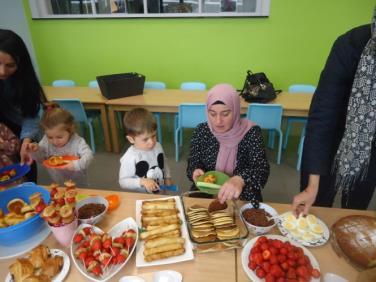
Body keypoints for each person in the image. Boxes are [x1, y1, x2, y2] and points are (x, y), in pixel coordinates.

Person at [292, 11, 376, 215]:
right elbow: (322, 117)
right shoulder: (350, 45)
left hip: (369, 151)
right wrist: (312, 186)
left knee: (356, 212)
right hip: (330, 140)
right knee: (315, 206)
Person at [186, 83, 270, 206]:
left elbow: (261, 169)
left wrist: (240, 179)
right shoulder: (202, 130)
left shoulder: (251, 132)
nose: (218, 121)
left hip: (241, 196)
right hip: (205, 194)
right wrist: (195, 170)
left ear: (235, 110)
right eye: (212, 114)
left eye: (225, 114)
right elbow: (192, 163)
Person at [0, 29, 46, 182]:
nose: (2, 71)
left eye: (10, 65)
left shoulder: (25, 83)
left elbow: (31, 113)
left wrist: (27, 139)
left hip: (18, 133)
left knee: (25, 175)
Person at [25, 103, 93, 187]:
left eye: (59, 137)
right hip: (59, 182)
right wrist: (35, 151)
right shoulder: (46, 141)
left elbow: (89, 155)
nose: (55, 141)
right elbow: (41, 159)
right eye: (50, 137)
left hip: (79, 183)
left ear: (70, 130)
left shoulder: (77, 142)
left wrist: (76, 165)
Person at [119, 107, 172, 193]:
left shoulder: (158, 146)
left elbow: (164, 163)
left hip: (160, 193)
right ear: (131, 139)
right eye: (145, 139)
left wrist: (167, 177)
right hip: (142, 198)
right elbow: (123, 182)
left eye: (154, 136)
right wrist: (142, 181)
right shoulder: (130, 157)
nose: (151, 142)